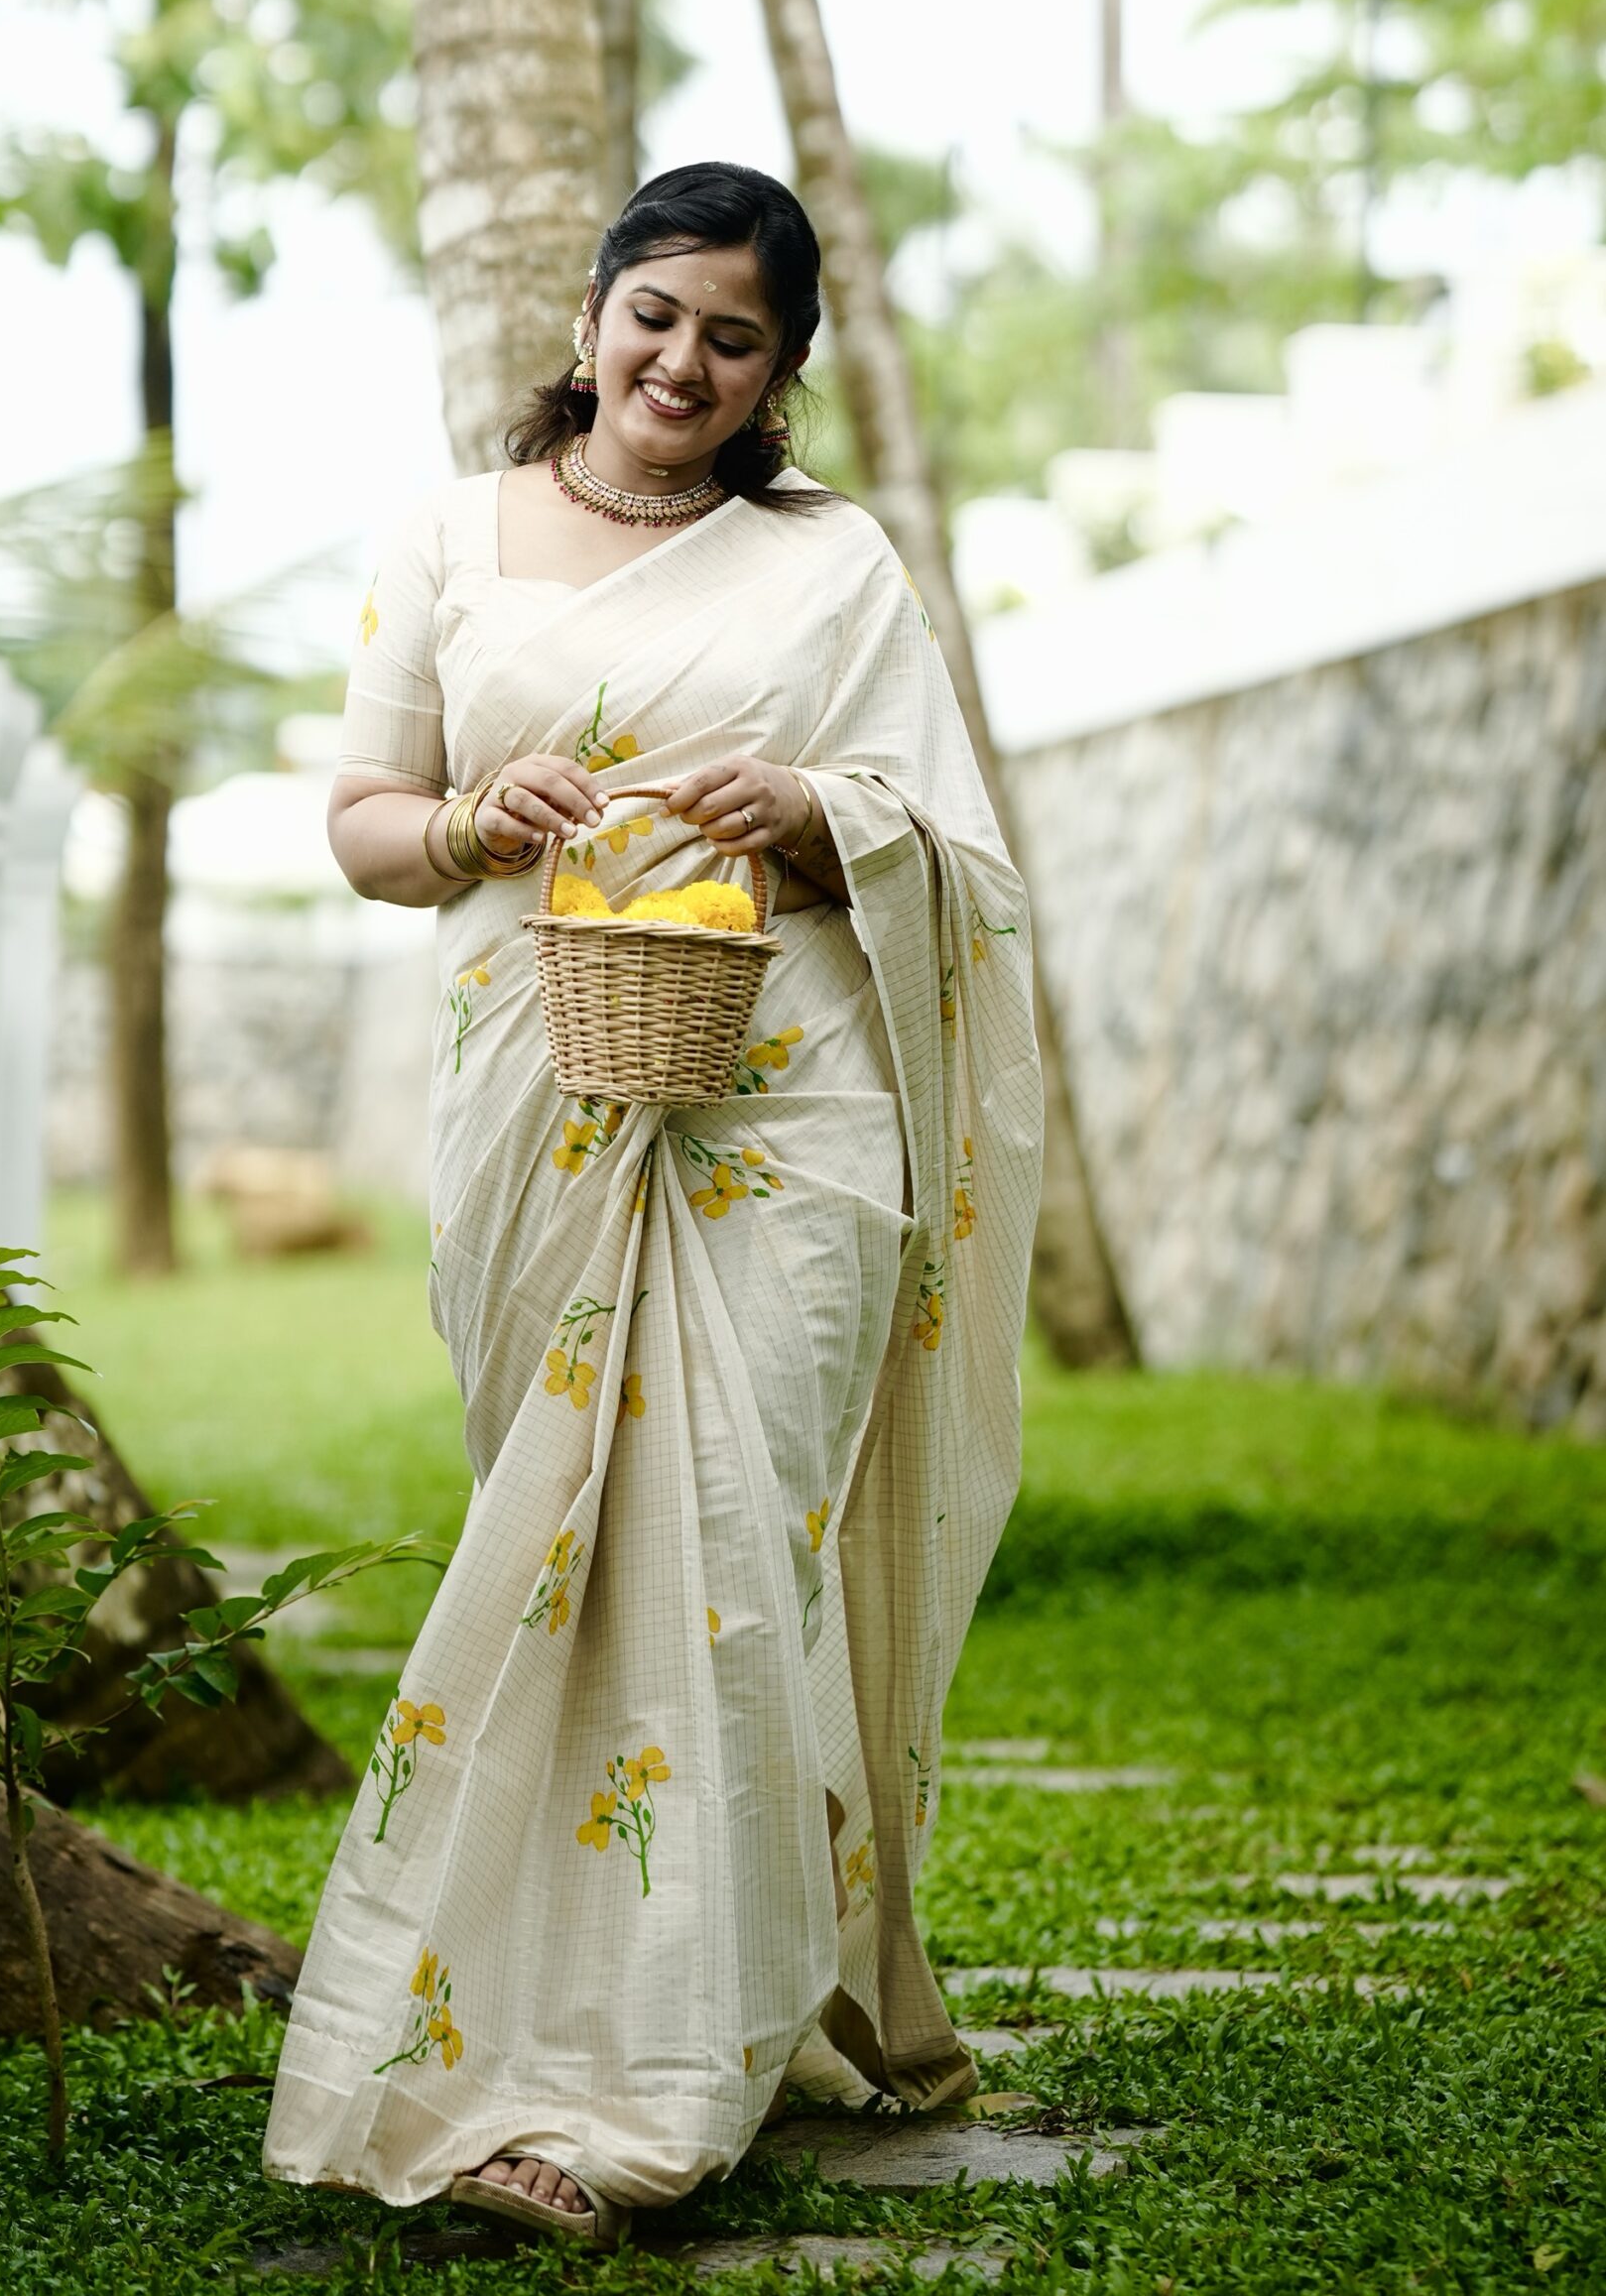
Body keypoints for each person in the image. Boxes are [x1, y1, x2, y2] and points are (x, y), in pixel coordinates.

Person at [262, 161, 1043, 2247]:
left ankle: (659, 2077)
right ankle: (566, 2014)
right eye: (655, 313)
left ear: (778, 372)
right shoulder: (446, 528)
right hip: (540, 1094)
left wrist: (814, 812)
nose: (680, 362)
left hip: (792, 1108)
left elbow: (954, 850)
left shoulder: (830, 562)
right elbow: (357, 818)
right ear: (592, 309)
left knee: (720, 1557)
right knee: (561, 1564)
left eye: (733, 337)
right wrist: (454, 820)